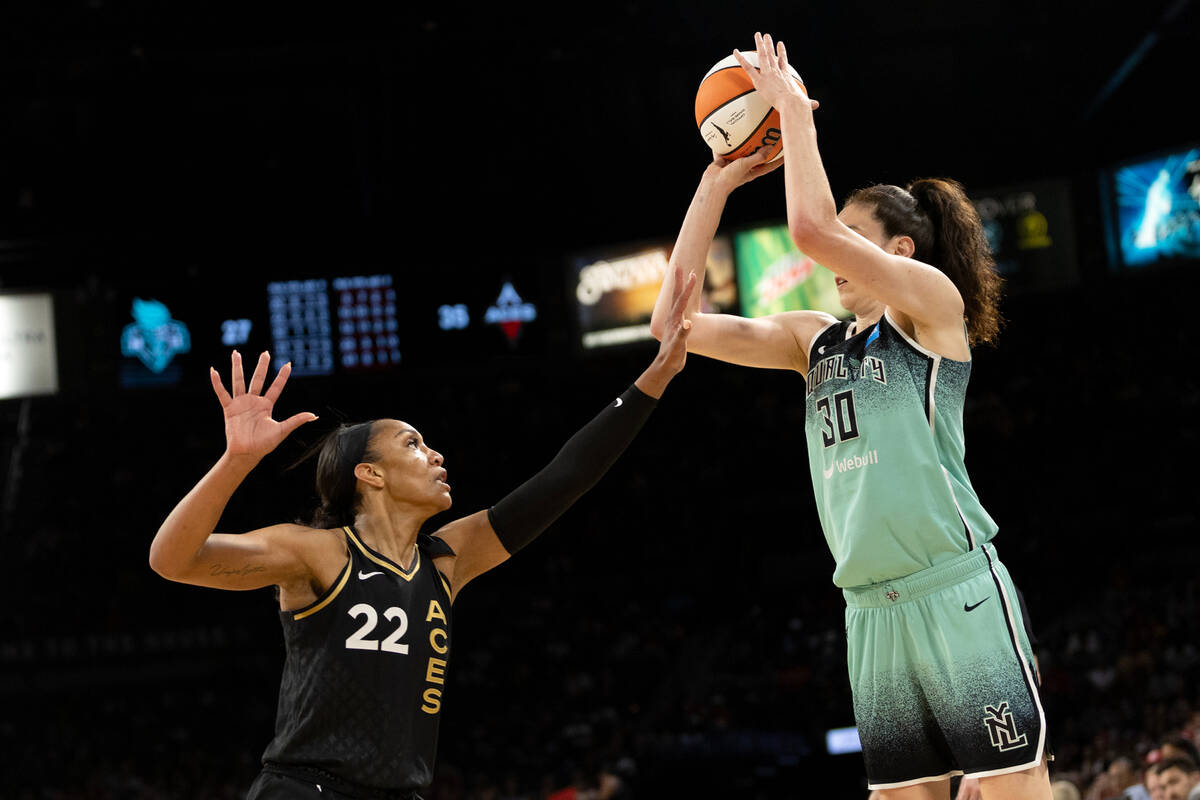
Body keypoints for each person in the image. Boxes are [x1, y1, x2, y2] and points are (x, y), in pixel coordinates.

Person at [650, 31, 1046, 800]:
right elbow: (671, 325)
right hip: (870, 614)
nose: (831, 258)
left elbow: (809, 228)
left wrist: (795, 113)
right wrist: (716, 183)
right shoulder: (811, 340)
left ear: (899, 251)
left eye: (852, 240)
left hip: (954, 590)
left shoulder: (933, 310)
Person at [148, 271, 698, 798]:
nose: (435, 454)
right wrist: (235, 461)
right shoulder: (315, 551)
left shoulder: (447, 561)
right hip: (305, 790)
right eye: (411, 444)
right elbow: (173, 560)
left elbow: (563, 479)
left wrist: (655, 377)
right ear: (371, 473)